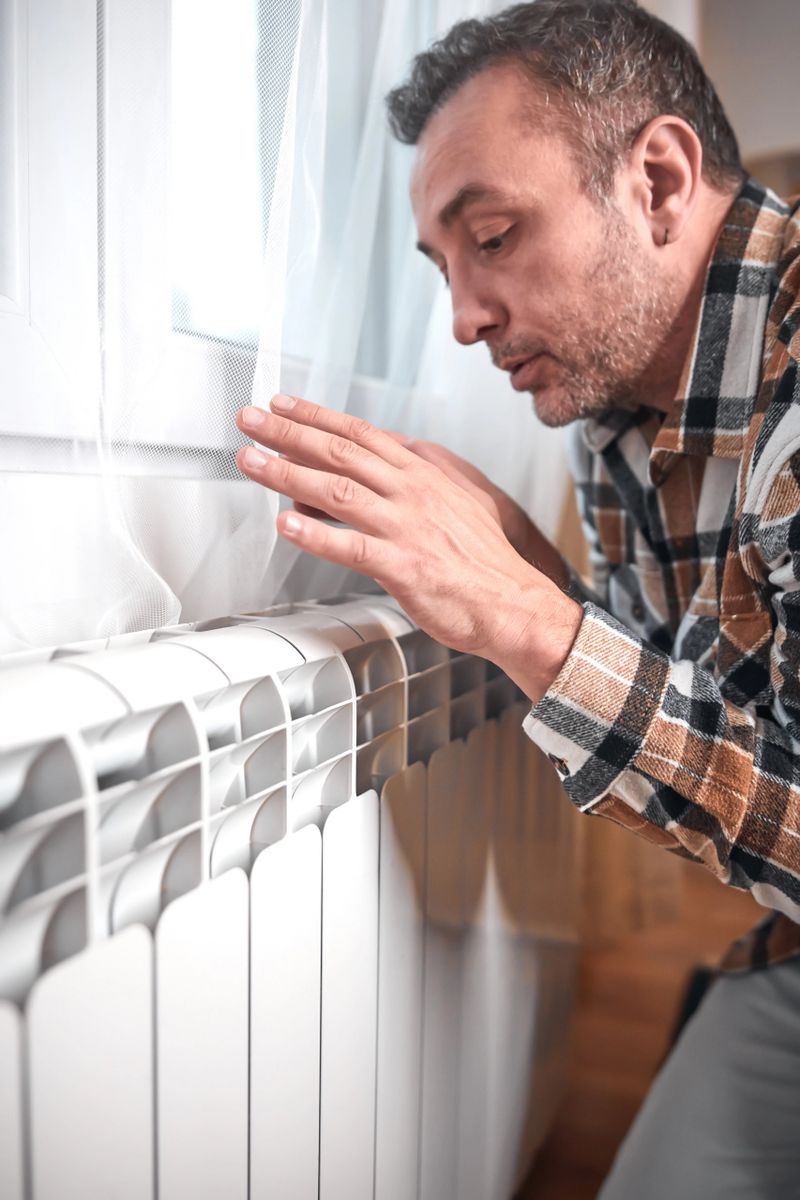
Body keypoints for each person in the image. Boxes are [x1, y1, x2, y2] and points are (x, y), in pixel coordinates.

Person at [235, 2, 800, 1193]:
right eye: (444, 266)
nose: (461, 319)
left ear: (655, 179)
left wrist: (534, 625)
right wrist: (527, 579)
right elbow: (698, 731)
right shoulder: (612, 413)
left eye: (492, 234)